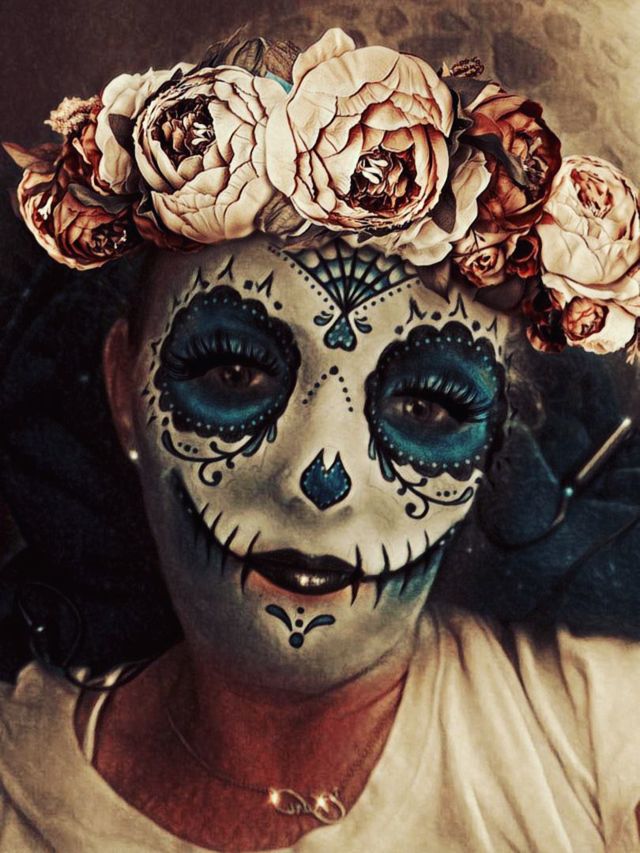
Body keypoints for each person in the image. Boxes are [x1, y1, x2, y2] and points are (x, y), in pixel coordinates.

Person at [1, 26, 640, 852]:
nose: (320, 473)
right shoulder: (19, 782)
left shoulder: (599, 723)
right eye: (234, 371)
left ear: (497, 442)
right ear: (124, 384)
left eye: (429, 404)